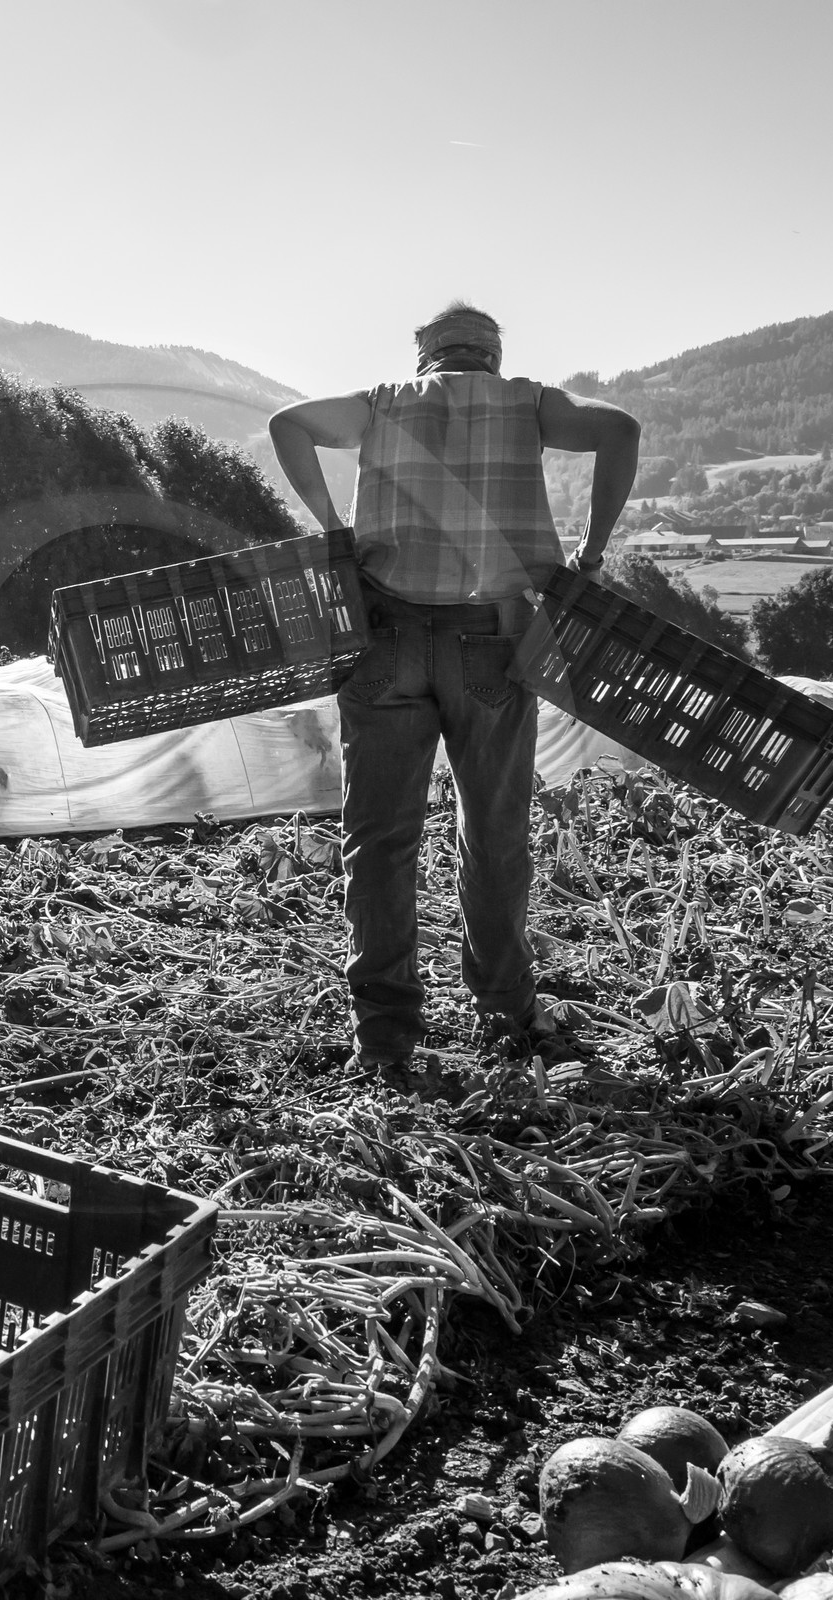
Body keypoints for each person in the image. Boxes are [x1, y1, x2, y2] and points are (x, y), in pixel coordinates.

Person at [268, 303, 640, 1081]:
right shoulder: (527, 403)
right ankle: (504, 1012)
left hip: (386, 639)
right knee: (495, 833)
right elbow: (621, 431)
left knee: (379, 838)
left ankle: (385, 1032)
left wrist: (334, 526)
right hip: (492, 644)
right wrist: (592, 551)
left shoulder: (382, 404)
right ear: (492, 355)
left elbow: (288, 425)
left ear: (424, 356)